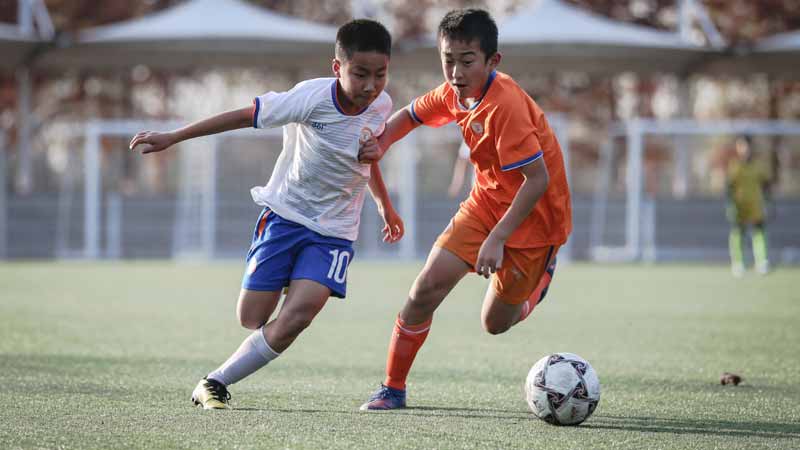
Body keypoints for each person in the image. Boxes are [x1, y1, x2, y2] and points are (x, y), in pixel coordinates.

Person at [129, 19, 403, 410]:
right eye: (360, 74)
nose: (370, 85)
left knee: (298, 315)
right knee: (252, 316)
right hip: (286, 215)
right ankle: (294, 276)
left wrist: (384, 204)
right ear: (337, 67)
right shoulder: (308, 98)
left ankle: (215, 381)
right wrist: (174, 136)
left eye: (380, 74)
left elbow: (366, 155)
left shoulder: (382, 105)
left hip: (335, 230)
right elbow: (243, 115)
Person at [356, 8, 571, 410]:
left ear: (493, 61)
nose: (455, 71)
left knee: (494, 324)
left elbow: (537, 180)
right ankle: (392, 388)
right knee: (424, 289)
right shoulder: (455, 92)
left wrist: (498, 238)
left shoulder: (504, 105)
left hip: (536, 220)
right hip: (486, 204)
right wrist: (382, 144)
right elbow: (411, 115)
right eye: (448, 60)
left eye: (467, 61)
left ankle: (541, 278)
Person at [726, 135, 772, 276]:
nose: (743, 149)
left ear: (750, 147)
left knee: (759, 233)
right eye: (740, 146)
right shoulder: (734, 165)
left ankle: (761, 262)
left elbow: (766, 185)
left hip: (755, 205)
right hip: (740, 205)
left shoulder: (759, 165)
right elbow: (729, 187)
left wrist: (768, 203)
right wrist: (730, 205)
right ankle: (738, 263)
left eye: (745, 145)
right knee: (738, 233)